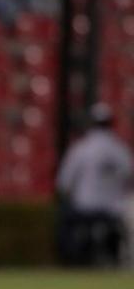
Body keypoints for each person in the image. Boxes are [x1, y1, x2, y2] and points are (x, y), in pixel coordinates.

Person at [57, 103, 133, 267]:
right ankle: (113, 258)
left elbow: (64, 183)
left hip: (85, 209)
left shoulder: (81, 149)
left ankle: (71, 260)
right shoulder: (120, 150)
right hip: (113, 210)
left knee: (65, 221)